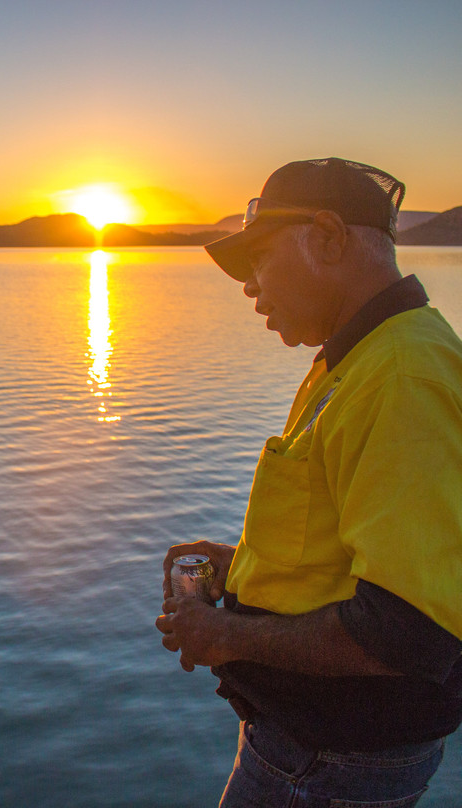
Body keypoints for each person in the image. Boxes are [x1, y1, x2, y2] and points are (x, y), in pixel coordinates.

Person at [155, 158, 462, 807]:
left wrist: (224, 635)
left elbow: (408, 629)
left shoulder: (401, 378)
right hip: (310, 754)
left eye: (258, 258)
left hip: (328, 768)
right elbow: (370, 558)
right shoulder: (358, 361)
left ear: (326, 237)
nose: (248, 286)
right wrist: (243, 568)